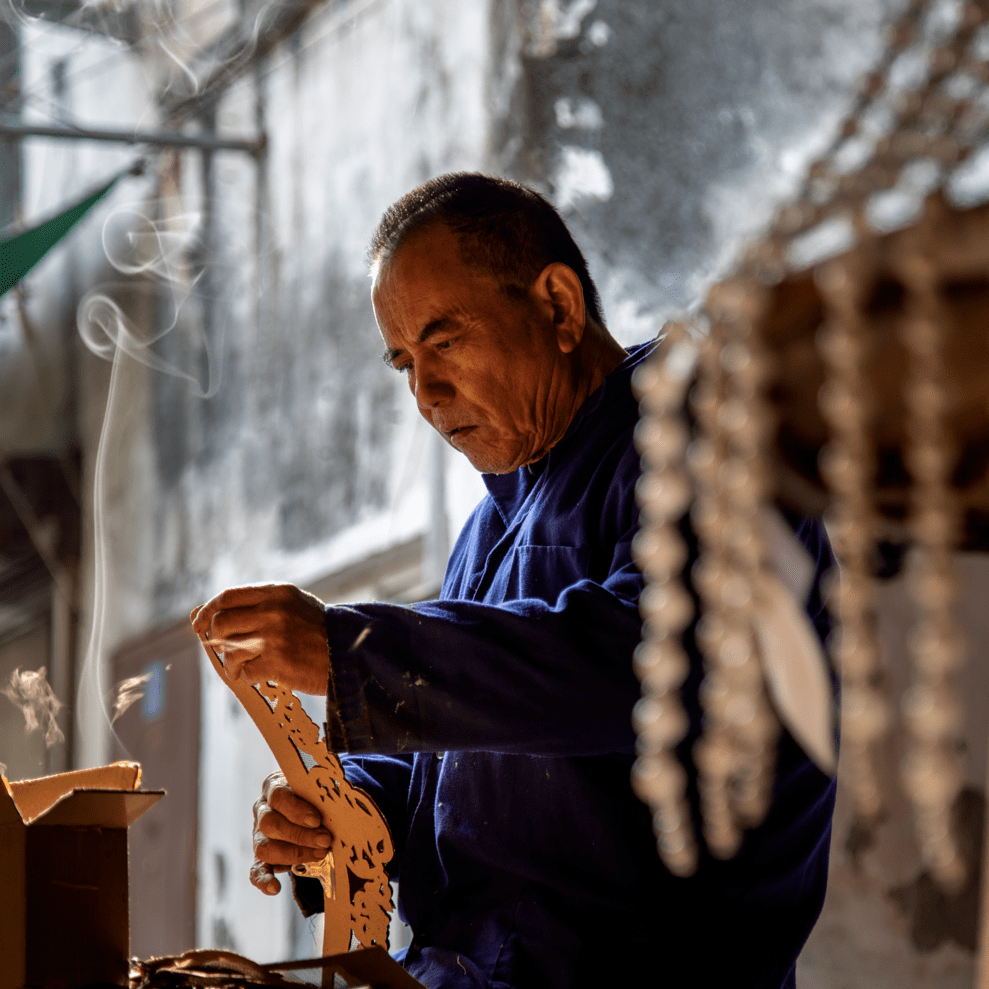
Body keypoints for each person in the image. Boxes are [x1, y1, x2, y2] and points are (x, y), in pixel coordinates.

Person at [190, 173, 837, 989]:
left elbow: (651, 662)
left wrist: (352, 655)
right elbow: (469, 765)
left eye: (446, 341)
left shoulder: (701, 428)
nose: (425, 394)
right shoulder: (491, 524)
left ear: (559, 307)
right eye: (403, 364)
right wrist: (347, 806)